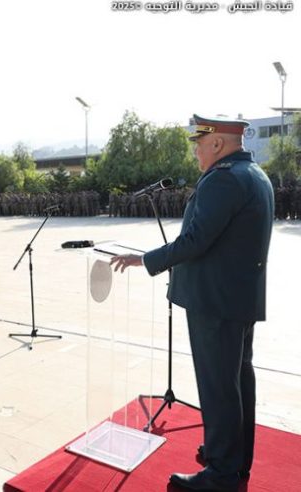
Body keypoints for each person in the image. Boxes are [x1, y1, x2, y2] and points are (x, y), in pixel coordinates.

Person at [110, 114, 274, 491]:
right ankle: (235, 460)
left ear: (217, 143)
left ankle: (221, 474)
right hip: (238, 299)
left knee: (218, 387)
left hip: (214, 302)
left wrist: (144, 260)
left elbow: (195, 240)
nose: (196, 151)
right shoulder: (255, 175)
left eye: (200, 144)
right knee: (237, 382)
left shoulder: (223, 179)